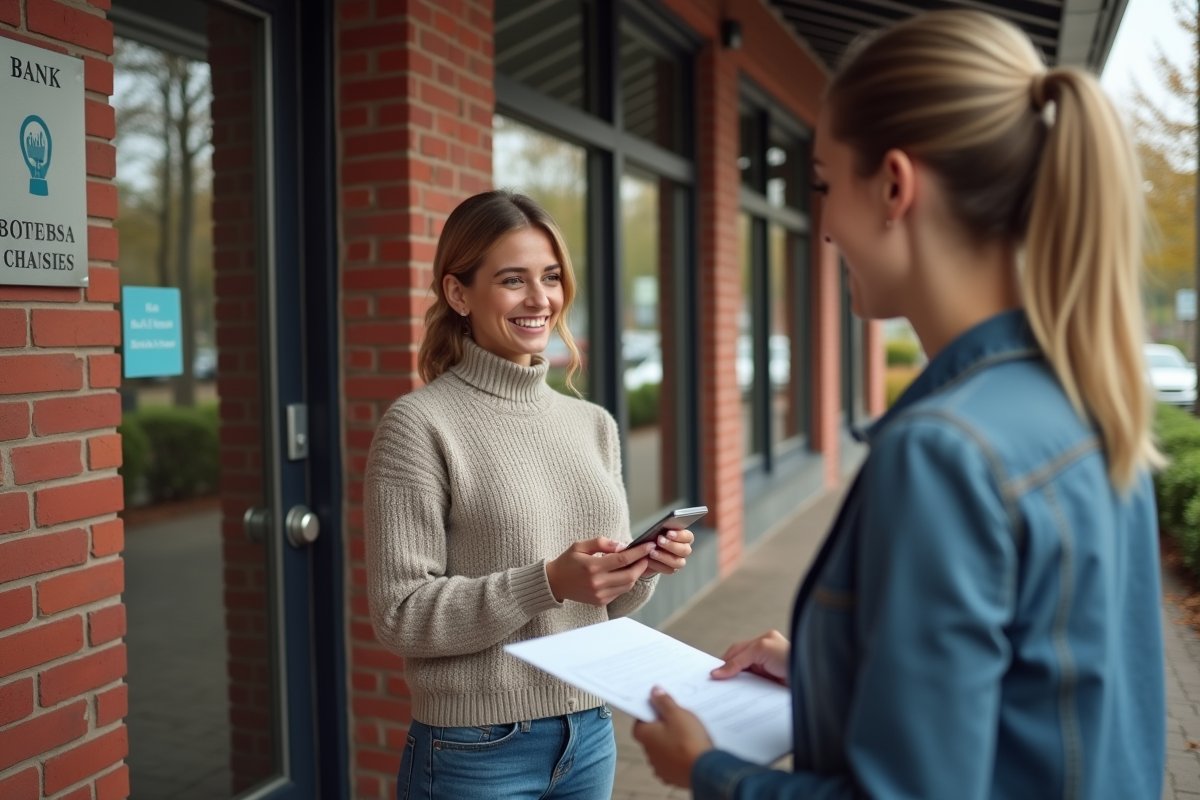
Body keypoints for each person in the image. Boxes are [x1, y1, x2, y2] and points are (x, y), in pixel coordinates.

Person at [633, 10, 1166, 799]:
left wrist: (709, 771)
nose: (822, 227)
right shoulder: (1090, 403)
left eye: (823, 184)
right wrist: (829, 672)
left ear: (893, 185)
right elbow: (1045, 701)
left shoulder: (945, 452)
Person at [364, 189, 694, 800]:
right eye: (513, 279)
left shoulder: (593, 424)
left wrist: (640, 567)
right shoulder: (419, 425)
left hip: (589, 731)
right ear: (459, 293)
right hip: (472, 749)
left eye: (551, 277)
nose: (540, 299)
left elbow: (604, 608)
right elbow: (400, 616)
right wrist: (546, 582)